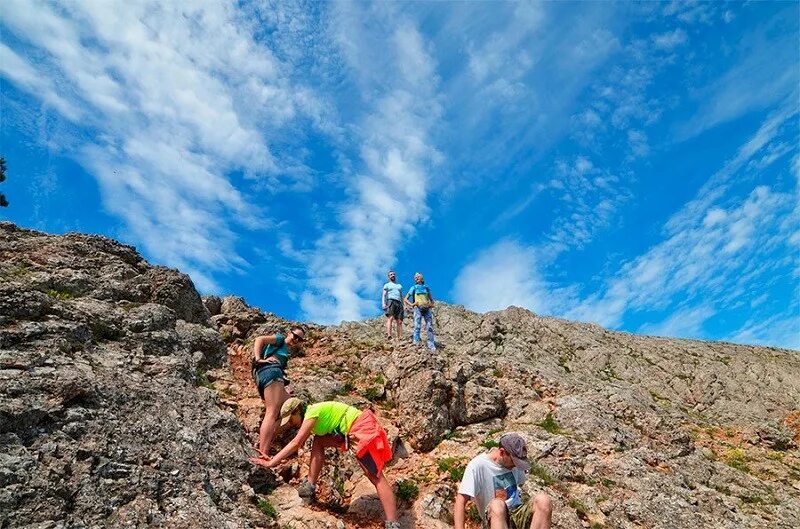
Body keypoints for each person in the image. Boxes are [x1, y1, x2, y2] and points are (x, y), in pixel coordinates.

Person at [261, 400, 400, 529]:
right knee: (318, 441)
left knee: (376, 477)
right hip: (348, 432)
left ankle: (392, 522)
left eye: (291, 419)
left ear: (297, 411)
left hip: (360, 430)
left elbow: (296, 443)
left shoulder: (311, 413)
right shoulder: (312, 414)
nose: (291, 423)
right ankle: (309, 486)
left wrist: (271, 462)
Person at [455, 433, 553, 529]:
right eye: (514, 461)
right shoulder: (478, 466)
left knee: (544, 500)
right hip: (494, 518)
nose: (516, 466)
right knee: (497, 505)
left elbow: (520, 486)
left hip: (516, 514)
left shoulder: (515, 465)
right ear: (502, 452)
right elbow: (460, 501)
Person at [246, 325, 305, 466]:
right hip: (271, 372)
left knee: (293, 405)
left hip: (270, 376)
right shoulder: (280, 339)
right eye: (295, 336)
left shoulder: (284, 350)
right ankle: (263, 453)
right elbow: (259, 339)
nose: (296, 340)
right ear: (289, 333)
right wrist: (258, 358)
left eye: (300, 339)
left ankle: (264, 441)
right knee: (272, 412)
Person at [404, 272, 436, 350]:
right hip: (418, 308)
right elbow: (405, 299)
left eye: (418, 276)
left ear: (422, 278)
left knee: (429, 327)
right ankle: (416, 342)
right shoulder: (414, 287)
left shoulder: (426, 287)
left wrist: (431, 304)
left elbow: (432, 300)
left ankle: (431, 345)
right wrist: (412, 304)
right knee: (417, 326)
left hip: (427, 308)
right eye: (415, 277)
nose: (416, 278)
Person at [382, 270, 404, 340]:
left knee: (399, 321)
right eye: (391, 274)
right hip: (391, 301)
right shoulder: (387, 285)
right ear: (389, 277)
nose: (393, 275)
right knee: (390, 318)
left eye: (394, 274)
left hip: (399, 303)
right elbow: (384, 295)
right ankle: (389, 335)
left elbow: (401, 296)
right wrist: (383, 303)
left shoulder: (399, 286)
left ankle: (400, 337)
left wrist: (404, 305)